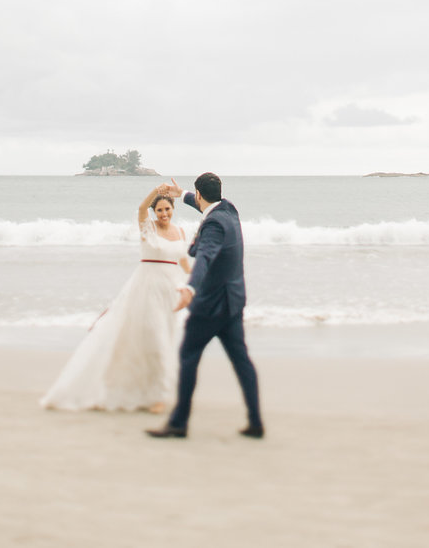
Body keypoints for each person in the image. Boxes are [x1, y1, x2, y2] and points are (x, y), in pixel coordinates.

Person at [40, 186, 190, 413]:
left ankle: (148, 392)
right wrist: (156, 191)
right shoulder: (148, 228)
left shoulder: (180, 232)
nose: (163, 214)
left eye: (167, 209)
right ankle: (158, 397)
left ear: (173, 209)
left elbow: (185, 263)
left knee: (165, 340)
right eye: (159, 210)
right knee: (155, 340)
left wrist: (195, 285)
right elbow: (141, 209)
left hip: (170, 293)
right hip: (146, 290)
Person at [146, 173, 264, 439]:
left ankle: (178, 423)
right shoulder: (229, 210)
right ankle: (256, 422)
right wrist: (181, 194)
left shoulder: (213, 225)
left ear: (200, 194)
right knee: (242, 361)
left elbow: (205, 258)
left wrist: (190, 288)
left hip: (210, 305)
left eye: (195, 195)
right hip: (233, 302)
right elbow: (205, 207)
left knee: (188, 356)